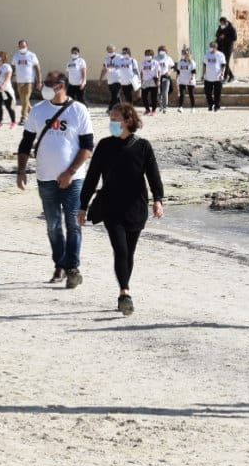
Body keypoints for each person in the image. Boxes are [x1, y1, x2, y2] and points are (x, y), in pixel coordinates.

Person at [80, 103, 165, 316]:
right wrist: (82, 206)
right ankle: (124, 292)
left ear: (128, 121)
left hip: (136, 207)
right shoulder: (104, 145)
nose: (112, 124)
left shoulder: (143, 146)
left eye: (115, 119)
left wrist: (158, 200)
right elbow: (92, 178)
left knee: (129, 252)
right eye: (111, 119)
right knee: (120, 249)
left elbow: (153, 174)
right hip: (111, 206)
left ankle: (124, 287)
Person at [17, 71, 94, 289]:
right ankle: (59, 264)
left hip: (74, 179)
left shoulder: (79, 111)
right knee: (52, 225)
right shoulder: (38, 111)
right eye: (45, 83)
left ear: (62, 86)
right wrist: (21, 171)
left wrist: (69, 172)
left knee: (73, 223)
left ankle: (72, 268)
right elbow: (25, 143)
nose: (45, 86)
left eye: (50, 83)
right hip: (45, 178)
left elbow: (87, 146)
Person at [11, 40, 41, 123]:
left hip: (29, 81)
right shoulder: (16, 56)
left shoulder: (32, 55)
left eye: (23, 46)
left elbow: (37, 68)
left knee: (26, 98)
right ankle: (33, 113)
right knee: (24, 100)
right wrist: (9, 78)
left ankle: (23, 117)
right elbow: (12, 68)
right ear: (18, 47)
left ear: (27, 46)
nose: (22, 48)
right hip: (19, 81)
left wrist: (39, 81)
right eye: (20, 46)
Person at [203, 42, 227, 111]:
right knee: (207, 92)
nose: (210, 48)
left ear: (215, 48)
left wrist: (222, 73)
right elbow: (204, 65)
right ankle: (210, 104)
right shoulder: (207, 55)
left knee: (217, 93)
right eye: (210, 47)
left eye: (212, 47)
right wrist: (203, 74)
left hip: (217, 77)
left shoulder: (220, 55)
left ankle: (217, 106)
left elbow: (223, 65)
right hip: (208, 77)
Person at [216, 16, 239, 82]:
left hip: (228, 47)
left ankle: (225, 77)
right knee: (222, 62)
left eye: (222, 23)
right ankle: (231, 76)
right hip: (221, 46)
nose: (221, 24)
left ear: (226, 22)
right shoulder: (220, 27)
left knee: (226, 62)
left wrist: (225, 37)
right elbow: (217, 34)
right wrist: (219, 36)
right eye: (220, 23)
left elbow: (234, 38)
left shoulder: (231, 28)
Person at [140, 48, 161, 115]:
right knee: (144, 96)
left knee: (154, 97)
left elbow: (159, 71)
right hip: (145, 81)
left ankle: (154, 111)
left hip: (153, 81)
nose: (147, 56)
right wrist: (141, 80)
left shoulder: (155, 63)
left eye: (149, 54)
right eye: (146, 54)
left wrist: (159, 80)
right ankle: (147, 109)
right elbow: (141, 72)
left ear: (152, 55)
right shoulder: (143, 63)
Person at [154, 45, 175, 113]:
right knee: (158, 93)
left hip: (165, 77)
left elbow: (173, 67)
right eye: (160, 50)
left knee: (165, 92)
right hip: (157, 77)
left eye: (163, 50)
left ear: (166, 51)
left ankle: (165, 107)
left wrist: (169, 72)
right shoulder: (155, 58)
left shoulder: (168, 58)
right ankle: (160, 105)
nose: (162, 52)